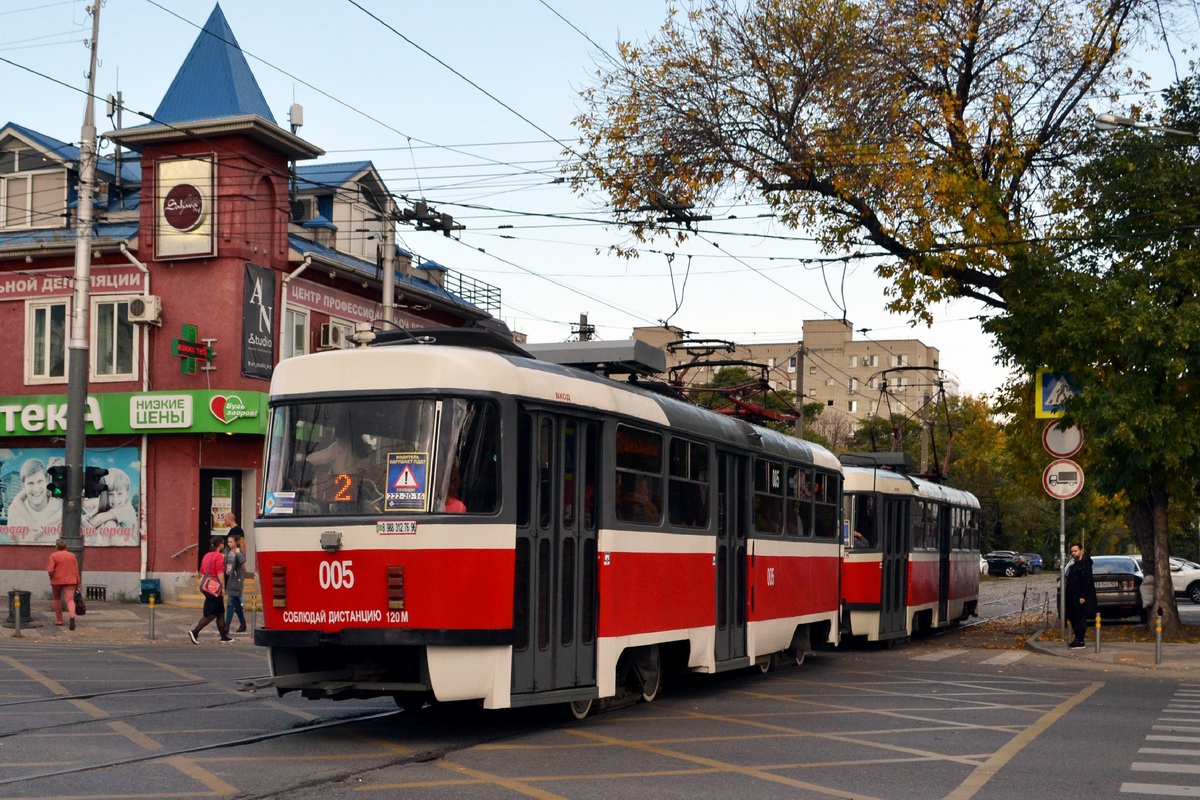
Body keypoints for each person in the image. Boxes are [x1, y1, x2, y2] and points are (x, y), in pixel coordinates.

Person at [189, 536, 233, 644]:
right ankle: (195, 631)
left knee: (220, 612)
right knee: (212, 613)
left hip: (207, 586)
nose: (224, 545)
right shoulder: (219, 556)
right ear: (219, 544)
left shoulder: (206, 556)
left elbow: (202, 572)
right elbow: (220, 573)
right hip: (215, 588)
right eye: (223, 543)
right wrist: (223, 587)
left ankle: (223, 636)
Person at [7, 458, 63, 543]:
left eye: (40, 481)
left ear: (47, 481)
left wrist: (41, 526)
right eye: (30, 483)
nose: (36, 489)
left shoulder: (60, 505)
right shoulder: (14, 511)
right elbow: (14, 547)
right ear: (23, 485)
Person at [1064, 541, 1097, 649]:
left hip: (1080, 597)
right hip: (1072, 596)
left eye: (1075, 551)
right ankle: (1077, 639)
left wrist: (1083, 596)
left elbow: (1087, 581)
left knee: (1080, 617)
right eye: (1072, 551)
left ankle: (1080, 640)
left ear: (1081, 550)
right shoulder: (1074, 564)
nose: (1073, 553)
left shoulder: (1086, 564)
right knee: (1071, 615)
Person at [46, 538, 80, 630]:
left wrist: (51, 576)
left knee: (57, 599)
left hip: (57, 580)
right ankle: (72, 617)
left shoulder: (53, 555)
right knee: (70, 600)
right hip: (71, 580)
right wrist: (78, 583)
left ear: (56, 546)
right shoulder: (72, 556)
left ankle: (59, 620)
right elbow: (76, 570)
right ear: (66, 547)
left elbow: (50, 569)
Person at [223, 527, 247, 634]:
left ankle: (226, 626)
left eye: (231, 542)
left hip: (236, 580)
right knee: (237, 603)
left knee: (230, 602)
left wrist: (238, 552)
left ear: (236, 542)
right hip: (228, 578)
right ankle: (243, 624)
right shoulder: (226, 551)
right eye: (228, 542)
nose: (229, 544)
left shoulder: (239, 552)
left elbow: (243, 561)